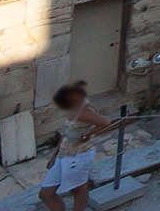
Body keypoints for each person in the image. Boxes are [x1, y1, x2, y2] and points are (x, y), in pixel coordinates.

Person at [38, 82, 111, 211]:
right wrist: (54, 155)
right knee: (46, 194)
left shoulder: (84, 112)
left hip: (79, 154)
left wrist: (87, 134)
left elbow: (105, 123)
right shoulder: (72, 111)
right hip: (64, 153)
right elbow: (66, 133)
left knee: (78, 189)